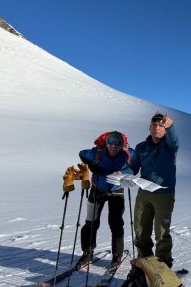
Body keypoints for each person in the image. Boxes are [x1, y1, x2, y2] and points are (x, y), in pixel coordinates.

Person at [121, 112, 179, 268]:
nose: (157, 128)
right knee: (140, 229)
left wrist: (171, 126)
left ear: (165, 129)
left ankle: (163, 266)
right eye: (154, 125)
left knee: (161, 232)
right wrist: (124, 175)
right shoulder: (141, 147)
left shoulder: (169, 146)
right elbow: (133, 167)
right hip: (144, 193)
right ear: (149, 127)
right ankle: (145, 261)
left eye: (161, 125)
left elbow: (174, 140)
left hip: (164, 194)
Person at [77, 131, 134, 269]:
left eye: (117, 144)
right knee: (91, 222)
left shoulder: (129, 154)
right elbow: (82, 154)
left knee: (115, 223)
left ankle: (116, 256)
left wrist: (126, 172)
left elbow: (137, 164)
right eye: (110, 143)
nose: (113, 146)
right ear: (106, 143)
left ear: (123, 145)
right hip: (97, 190)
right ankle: (87, 253)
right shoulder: (97, 153)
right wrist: (91, 166)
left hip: (116, 191)